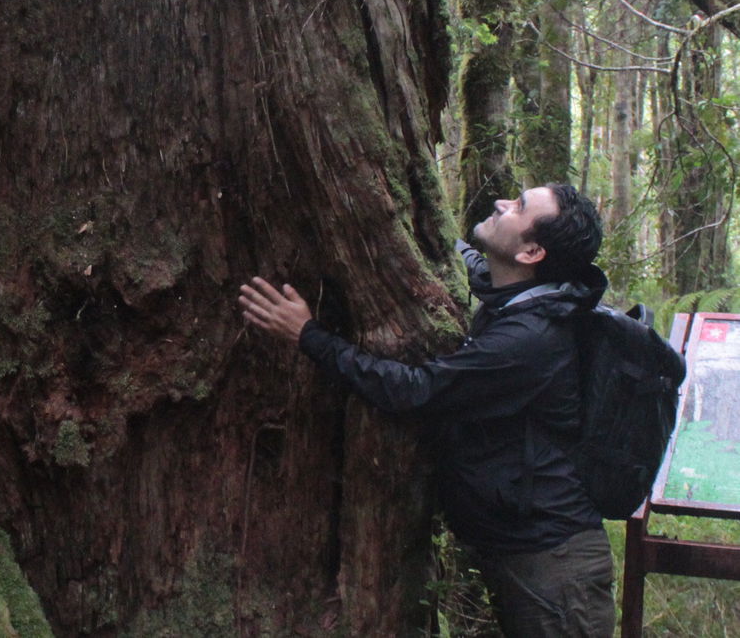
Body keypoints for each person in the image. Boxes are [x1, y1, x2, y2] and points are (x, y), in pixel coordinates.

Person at [238, 183, 613, 637]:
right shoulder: (524, 299)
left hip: (555, 567)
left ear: (532, 252)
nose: (501, 203)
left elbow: (415, 392)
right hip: (529, 551)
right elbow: (474, 265)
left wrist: (308, 335)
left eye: (518, 207)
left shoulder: (529, 339)